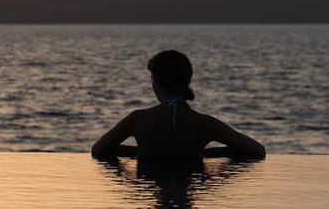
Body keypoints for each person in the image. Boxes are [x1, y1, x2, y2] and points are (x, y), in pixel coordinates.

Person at [91, 50, 265, 163]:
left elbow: (98, 149)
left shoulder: (138, 119)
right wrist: (206, 154)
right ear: (187, 82)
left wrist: (139, 153)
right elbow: (257, 151)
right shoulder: (205, 123)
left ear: (156, 84)